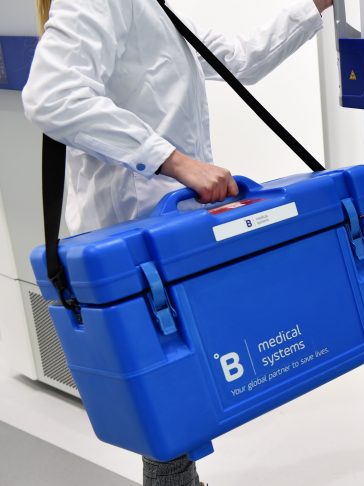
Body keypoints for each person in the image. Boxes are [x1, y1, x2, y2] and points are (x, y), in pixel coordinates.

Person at [23, 0, 332, 484]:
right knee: (167, 406)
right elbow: (51, 94)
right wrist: (176, 161)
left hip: (165, 237)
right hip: (128, 238)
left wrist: (315, 5)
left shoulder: (154, 6)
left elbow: (237, 59)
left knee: (178, 396)